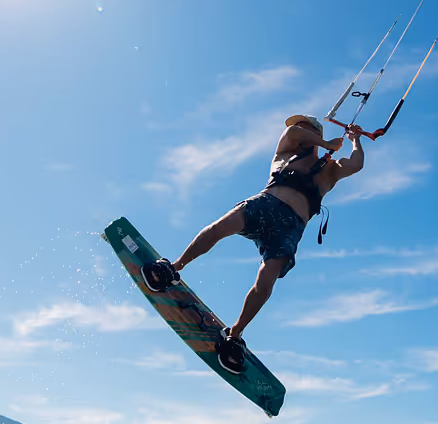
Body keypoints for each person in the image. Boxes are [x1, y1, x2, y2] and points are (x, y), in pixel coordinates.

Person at [141, 114, 365, 374]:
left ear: (315, 133)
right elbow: (293, 133)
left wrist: (355, 140)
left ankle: (234, 335)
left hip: (290, 228)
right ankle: (174, 268)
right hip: (265, 204)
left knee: (265, 282)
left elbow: (356, 164)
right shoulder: (287, 149)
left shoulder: (329, 170)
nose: (297, 128)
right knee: (219, 228)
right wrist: (326, 143)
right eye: (298, 126)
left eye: (304, 126)